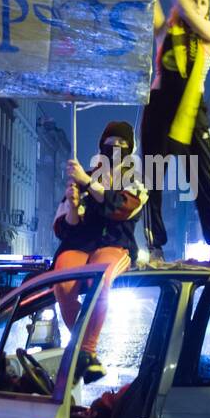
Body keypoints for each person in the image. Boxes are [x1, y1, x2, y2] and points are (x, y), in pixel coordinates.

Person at [134, 0, 210, 256]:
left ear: (206, 12)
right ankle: (155, 245)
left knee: (202, 181)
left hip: (192, 110)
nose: (194, 5)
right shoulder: (164, 32)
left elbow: (185, 10)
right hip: (160, 106)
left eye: (201, 2)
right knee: (154, 176)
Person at [52, 121, 148, 382]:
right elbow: (64, 228)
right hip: (80, 245)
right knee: (62, 282)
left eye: (122, 144)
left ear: (131, 148)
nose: (115, 148)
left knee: (100, 279)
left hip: (116, 245)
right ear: (101, 146)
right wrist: (72, 206)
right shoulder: (83, 177)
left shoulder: (137, 179)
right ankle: (87, 356)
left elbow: (120, 208)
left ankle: (85, 351)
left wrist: (88, 183)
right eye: (110, 143)